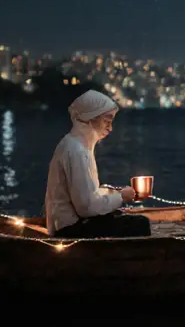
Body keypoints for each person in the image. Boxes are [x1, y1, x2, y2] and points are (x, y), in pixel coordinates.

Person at [44, 89, 153, 238]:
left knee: (117, 214)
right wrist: (121, 197)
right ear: (90, 118)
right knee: (140, 224)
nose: (110, 128)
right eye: (106, 121)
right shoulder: (77, 150)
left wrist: (110, 192)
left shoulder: (74, 144)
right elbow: (86, 207)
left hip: (66, 224)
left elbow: (85, 197)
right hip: (69, 229)